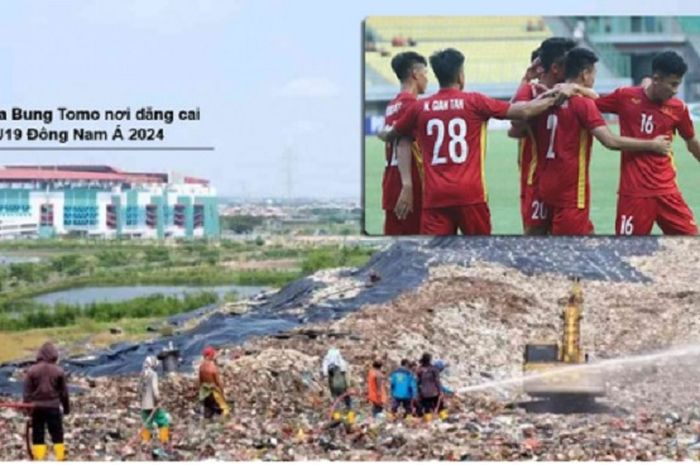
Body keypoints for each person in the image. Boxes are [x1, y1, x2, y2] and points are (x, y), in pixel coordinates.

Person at [380, 48, 562, 235]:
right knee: (480, 256)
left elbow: (395, 135)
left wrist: (383, 133)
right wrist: (555, 97)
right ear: (460, 75)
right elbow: (523, 111)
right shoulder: (475, 101)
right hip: (471, 195)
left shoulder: (420, 107)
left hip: (435, 198)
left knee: (435, 257)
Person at [531, 47, 671, 235]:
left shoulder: (545, 99)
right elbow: (610, 141)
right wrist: (652, 144)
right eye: (593, 73)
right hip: (571, 193)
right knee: (571, 256)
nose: (594, 79)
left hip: (545, 186)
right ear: (585, 73)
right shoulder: (583, 103)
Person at [595, 50, 700, 235]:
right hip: (634, 194)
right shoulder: (625, 97)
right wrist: (576, 89)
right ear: (657, 79)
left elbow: (692, 143)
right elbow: (592, 104)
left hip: (667, 191)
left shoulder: (678, 108)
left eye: (678, 84)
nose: (675, 90)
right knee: (627, 254)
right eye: (672, 84)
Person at [509, 38, 577, 235]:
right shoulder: (531, 92)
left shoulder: (576, 93)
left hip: (568, 183)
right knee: (535, 236)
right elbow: (514, 125)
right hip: (535, 177)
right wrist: (527, 83)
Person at [383, 51, 428, 235]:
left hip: (391, 180)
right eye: (425, 73)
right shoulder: (411, 104)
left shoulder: (393, 104)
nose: (427, 79)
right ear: (415, 75)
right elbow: (404, 142)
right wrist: (407, 185)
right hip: (409, 180)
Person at [23, 342, 70, 461]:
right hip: (53, 408)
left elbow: (26, 394)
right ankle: (60, 458)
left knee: (38, 434)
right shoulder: (58, 371)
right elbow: (64, 393)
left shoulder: (32, 371)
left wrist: (28, 411)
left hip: (36, 408)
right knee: (57, 434)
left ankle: (39, 459)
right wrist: (66, 409)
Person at [139, 356, 171, 446]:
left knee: (146, 422)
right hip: (153, 404)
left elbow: (139, 389)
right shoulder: (153, 374)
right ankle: (164, 439)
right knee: (163, 421)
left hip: (143, 404)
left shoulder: (142, 373)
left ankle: (145, 440)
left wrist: (141, 401)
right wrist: (158, 399)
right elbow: (154, 389)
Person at [321, 348, 355, 423]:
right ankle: (350, 420)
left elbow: (328, 379)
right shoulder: (342, 364)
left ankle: (337, 419)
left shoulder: (328, 366)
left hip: (333, 388)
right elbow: (346, 377)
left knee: (336, 403)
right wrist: (348, 386)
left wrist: (330, 390)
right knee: (348, 402)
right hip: (343, 387)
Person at [198, 346, 231, 419]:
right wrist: (222, 393)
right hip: (213, 392)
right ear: (210, 355)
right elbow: (218, 382)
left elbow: (200, 382)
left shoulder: (201, 367)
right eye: (213, 354)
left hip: (205, 392)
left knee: (209, 412)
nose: (215, 355)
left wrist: (201, 395)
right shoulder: (212, 368)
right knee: (225, 411)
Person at [416, 353, 443, 421]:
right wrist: (440, 391)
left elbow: (418, 382)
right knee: (440, 406)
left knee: (427, 408)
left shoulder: (420, 369)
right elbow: (437, 381)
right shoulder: (433, 369)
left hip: (424, 393)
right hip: (434, 392)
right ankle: (445, 419)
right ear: (429, 360)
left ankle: (428, 423)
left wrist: (418, 392)